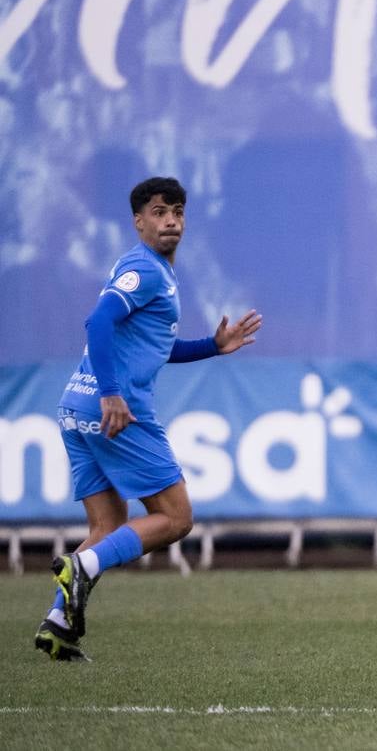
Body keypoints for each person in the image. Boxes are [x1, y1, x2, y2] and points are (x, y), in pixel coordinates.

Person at [36, 177, 261, 662]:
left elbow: (152, 345)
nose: (171, 221)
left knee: (107, 526)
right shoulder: (147, 269)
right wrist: (113, 394)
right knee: (176, 518)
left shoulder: (143, 268)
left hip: (75, 407)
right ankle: (81, 570)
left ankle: (58, 623)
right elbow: (97, 322)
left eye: (177, 211)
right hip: (112, 410)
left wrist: (212, 347)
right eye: (159, 212)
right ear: (139, 221)